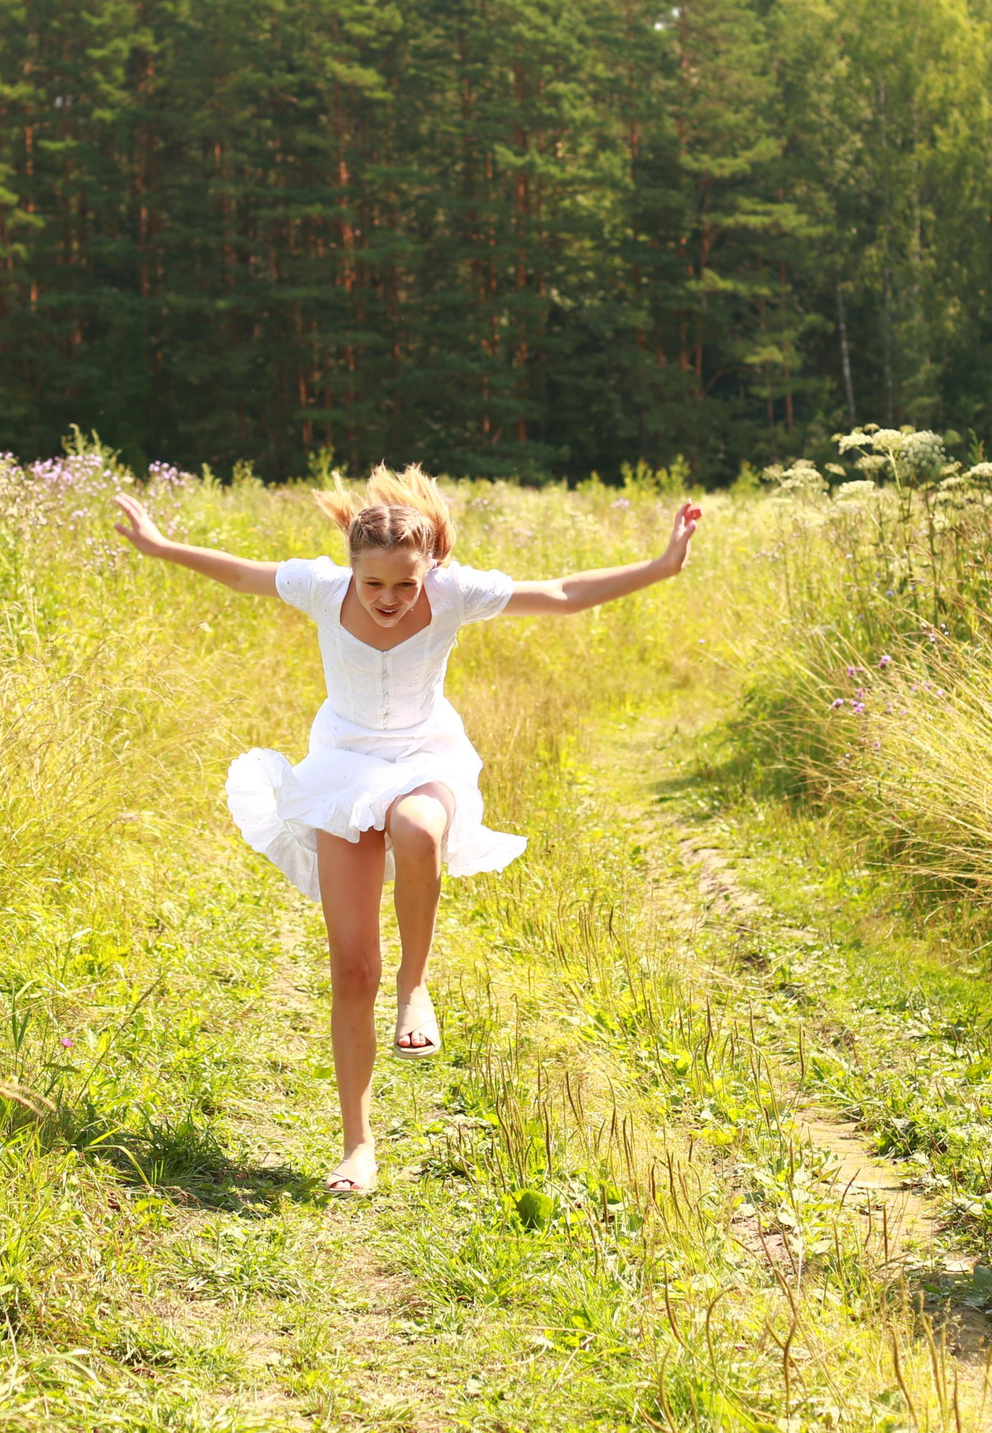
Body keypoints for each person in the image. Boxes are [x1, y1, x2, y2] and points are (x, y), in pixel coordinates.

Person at [111, 466, 701, 1196]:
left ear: (430, 570)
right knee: (350, 967)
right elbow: (240, 575)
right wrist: (164, 546)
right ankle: (358, 1145)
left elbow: (563, 594)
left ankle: (415, 984)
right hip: (343, 767)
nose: (390, 600)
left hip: (424, 756)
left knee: (418, 828)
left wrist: (663, 563)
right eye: (375, 585)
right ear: (351, 570)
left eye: (406, 584)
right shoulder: (321, 588)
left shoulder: (455, 594)